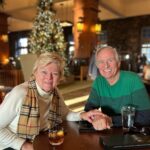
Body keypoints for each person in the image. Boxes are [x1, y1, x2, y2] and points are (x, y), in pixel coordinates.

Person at [0, 52, 104, 150]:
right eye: (44, 72)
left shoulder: (55, 92)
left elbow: (65, 114)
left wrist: (82, 115)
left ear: (60, 77)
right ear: (35, 73)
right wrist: (23, 145)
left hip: (38, 140)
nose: (49, 78)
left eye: (54, 73)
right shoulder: (20, 94)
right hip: (11, 146)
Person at [84, 46, 150, 130]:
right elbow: (89, 109)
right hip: (109, 133)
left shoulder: (133, 80)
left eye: (110, 60)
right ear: (97, 65)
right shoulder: (98, 81)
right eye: (101, 62)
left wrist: (110, 120)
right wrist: (96, 117)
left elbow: (146, 116)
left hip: (133, 133)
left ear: (118, 63)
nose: (106, 65)